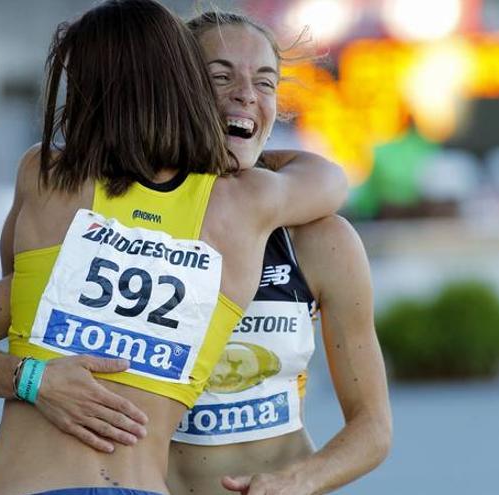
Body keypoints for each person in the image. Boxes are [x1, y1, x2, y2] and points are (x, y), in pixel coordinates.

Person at [0, 1, 347, 494]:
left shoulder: (48, 176)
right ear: (185, 86)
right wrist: (244, 154)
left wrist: (33, 380)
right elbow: (329, 179)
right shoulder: (244, 204)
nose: (243, 95)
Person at [165, 13, 392, 495]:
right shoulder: (123, 220)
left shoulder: (320, 238)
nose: (246, 93)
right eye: (220, 77)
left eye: (264, 82)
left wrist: (295, 482)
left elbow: (373, 428)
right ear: (175, 88)